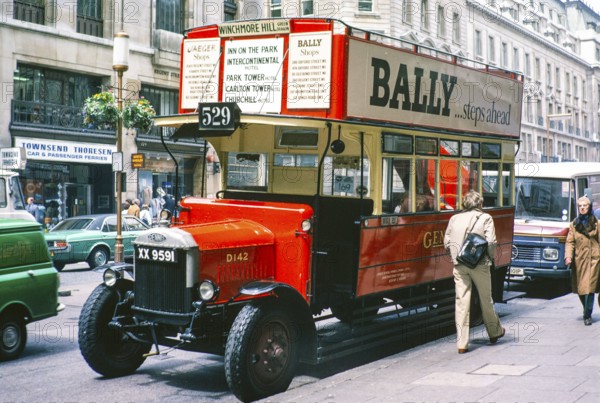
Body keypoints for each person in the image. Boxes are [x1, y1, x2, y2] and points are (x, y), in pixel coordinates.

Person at [444, 190, 505, 354]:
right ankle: (494, 332)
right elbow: (491, 242)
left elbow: (447, 241)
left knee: (461, 303)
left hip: (460, 265)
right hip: (479, 264)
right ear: (479, 204)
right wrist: (491, 259)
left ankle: (462, 344)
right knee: (486, 299)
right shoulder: (486, 218)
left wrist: (455, 256)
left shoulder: (454, 218)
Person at [565, 195, 600, 326]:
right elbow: (570, 242)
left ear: (589, 207)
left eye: (585, 206)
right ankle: (585, 308)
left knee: (590, 287)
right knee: (581, 288)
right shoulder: (574, 224)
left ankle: (587, 315)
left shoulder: (596, 223)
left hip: (594, 259)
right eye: (580, 206)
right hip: (580, 259)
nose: (582, 208)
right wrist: (568, 256)